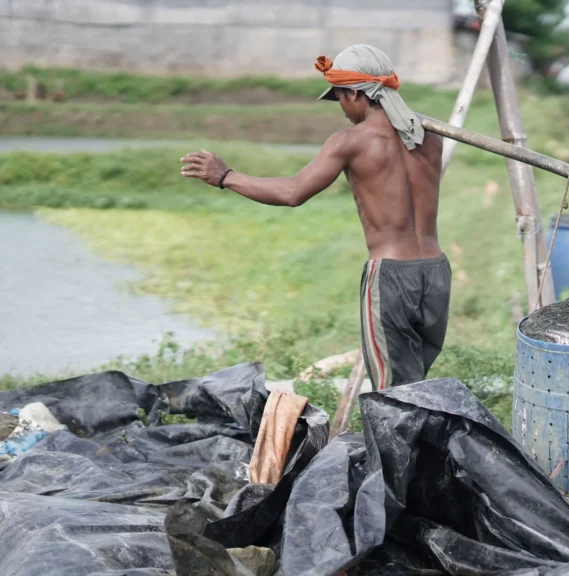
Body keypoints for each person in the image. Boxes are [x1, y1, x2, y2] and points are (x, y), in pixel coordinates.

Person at [180, 44, 450, 391]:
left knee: (393, 392)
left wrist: (226, 176)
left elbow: (294, 192)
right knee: (416, 384)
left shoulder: (350, 141)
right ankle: (421, 445)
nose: (341, 108)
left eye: (339, 97)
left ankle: (396, 446)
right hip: (436, 272)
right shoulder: (432, 136)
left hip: (392, 277)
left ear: (355, 93)